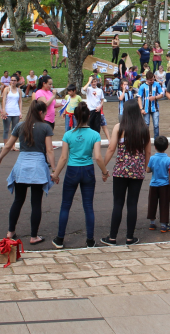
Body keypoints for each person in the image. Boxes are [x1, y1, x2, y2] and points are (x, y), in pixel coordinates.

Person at [0, 100, 55, 245]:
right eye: (45, 112)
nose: (45, 115)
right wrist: (55, 169)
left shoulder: (20, 125)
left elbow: (8, 145)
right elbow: (49, 150)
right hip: (38, 166)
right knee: (36, 202)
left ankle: (10, 231)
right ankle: (34, 236)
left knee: (18, 200)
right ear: (40, 112)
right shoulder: (46, 127)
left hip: (21, 166)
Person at [49, 102, 108, 249]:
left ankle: (60, 239)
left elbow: (63, 158)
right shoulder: (95, 135)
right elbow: (98, 157)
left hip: (72, 170)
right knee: (88, 206)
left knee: (65, 206)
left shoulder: (68, 134)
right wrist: (105, 172)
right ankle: (90, 240)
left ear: (74, 117)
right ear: (89, 116)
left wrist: (56, 174)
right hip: (87, 169)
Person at [101, 100, 151, 246]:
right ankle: (130, 237)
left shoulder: (119, 127)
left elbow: (111, 149)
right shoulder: (144, 129)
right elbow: (148, 151)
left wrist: (103, 167)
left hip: (121, 170)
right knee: (132, 204)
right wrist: (146, 167)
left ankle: (112, 237)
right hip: (137, 171)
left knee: (118, 203)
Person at [146, 136, 170, 232]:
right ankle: (163, 224)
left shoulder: (152, 158)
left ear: (155, 147)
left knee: (152, 203)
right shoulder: (169, 160)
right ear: (167, 146)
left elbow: (148, 170)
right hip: (164, 184)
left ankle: (152, 223)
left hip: (153, 184)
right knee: (164, 204)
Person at [1, 74, 23, 146]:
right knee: (6, 129)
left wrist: (20, 112)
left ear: (17, 81)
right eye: (12, 80)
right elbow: (4, 100)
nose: (13, 82)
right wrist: (3, 110)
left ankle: (12, 145)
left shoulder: (18, 90)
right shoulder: (7, 89)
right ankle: (6, 145)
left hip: (16, 112)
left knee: (14, 130)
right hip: (8, 111)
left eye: (14, 80)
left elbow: (20, 101)